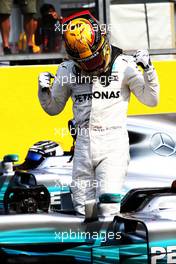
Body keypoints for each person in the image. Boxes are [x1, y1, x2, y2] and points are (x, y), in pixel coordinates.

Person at [38, 10, 160, 216]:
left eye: (92, 60)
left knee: (107, 207)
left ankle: (109, 247)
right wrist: (43, 91)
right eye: (83, 62)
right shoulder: (67, 70)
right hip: (83, 146)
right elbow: (53, 108)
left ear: (103, 44)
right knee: (82, 210)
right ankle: (85, 248)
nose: (89, 66)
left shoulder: (124, 65)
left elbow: (151, 100)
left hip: (113, 144)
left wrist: (149, 70)